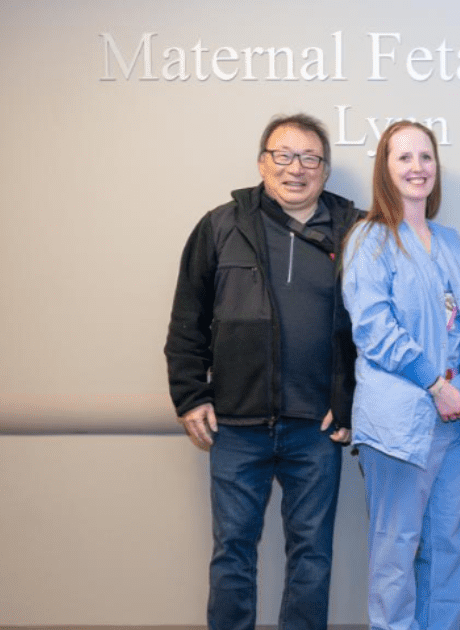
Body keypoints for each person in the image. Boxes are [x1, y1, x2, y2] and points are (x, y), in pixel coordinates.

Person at [164, 113, 359, 630]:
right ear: (262, 162)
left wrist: (351, 400)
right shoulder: (219, 225)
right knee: (231, 555)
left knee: (312, 558)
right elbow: (187, 319)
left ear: (325, 168)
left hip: (316, 428)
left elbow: (374, 329)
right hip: (236, 423)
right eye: (284, 155)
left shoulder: (359, 232)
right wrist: (190, 395)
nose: (296, 169)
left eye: (310, 158)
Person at [342, 120, 460, 630]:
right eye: (403, 157)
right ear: (385, 169)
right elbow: (373, 326)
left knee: (450, 546)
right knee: (396, 549)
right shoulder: (369, 238)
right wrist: (436, 384)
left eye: (425, 157)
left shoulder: (450, 240)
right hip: (400, 426)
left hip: (456, 425)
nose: (416, 168)